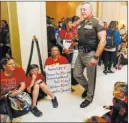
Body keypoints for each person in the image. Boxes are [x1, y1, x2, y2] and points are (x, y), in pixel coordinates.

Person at [73, 2, 106, 108]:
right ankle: (88, 88)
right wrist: (79, 20)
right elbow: (73, 26)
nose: (82, 11)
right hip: (80, 52)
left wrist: (96, 57)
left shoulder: (97, 22)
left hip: (91, 54)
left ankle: (89, 97)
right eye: (81, 9)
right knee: (76, 74)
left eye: (85, 9)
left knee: (91, 77)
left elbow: (103, 41)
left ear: (91, 10)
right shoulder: (82, 21)